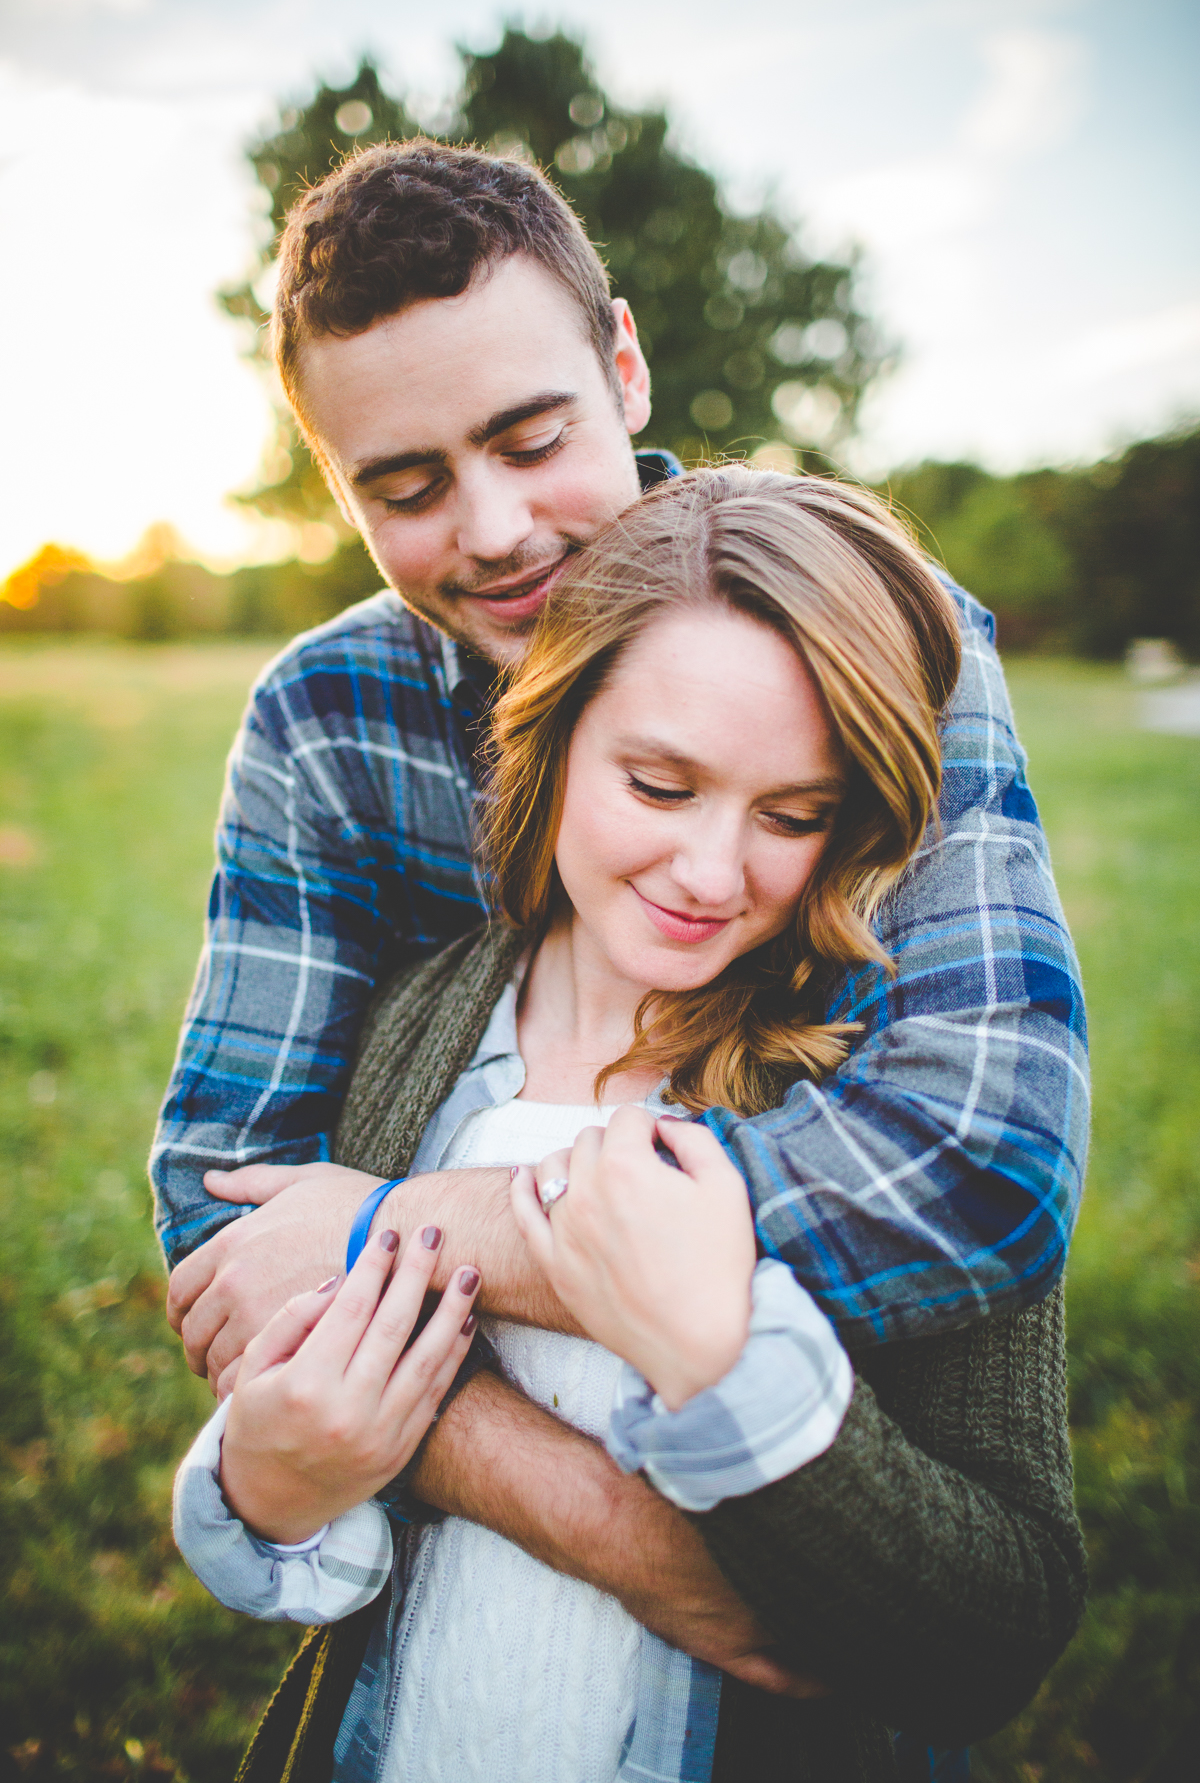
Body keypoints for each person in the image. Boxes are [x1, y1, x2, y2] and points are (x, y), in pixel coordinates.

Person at [155, 141, 1087, 1686]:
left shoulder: (865, 631)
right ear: (337, 483)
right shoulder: (329, 718)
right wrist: (632, 1542)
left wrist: (410, 1228)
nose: (499, 527)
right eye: (407, 485)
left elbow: (978, 1161)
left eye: (533, 437)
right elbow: (228, 1220)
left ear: (626, 365)